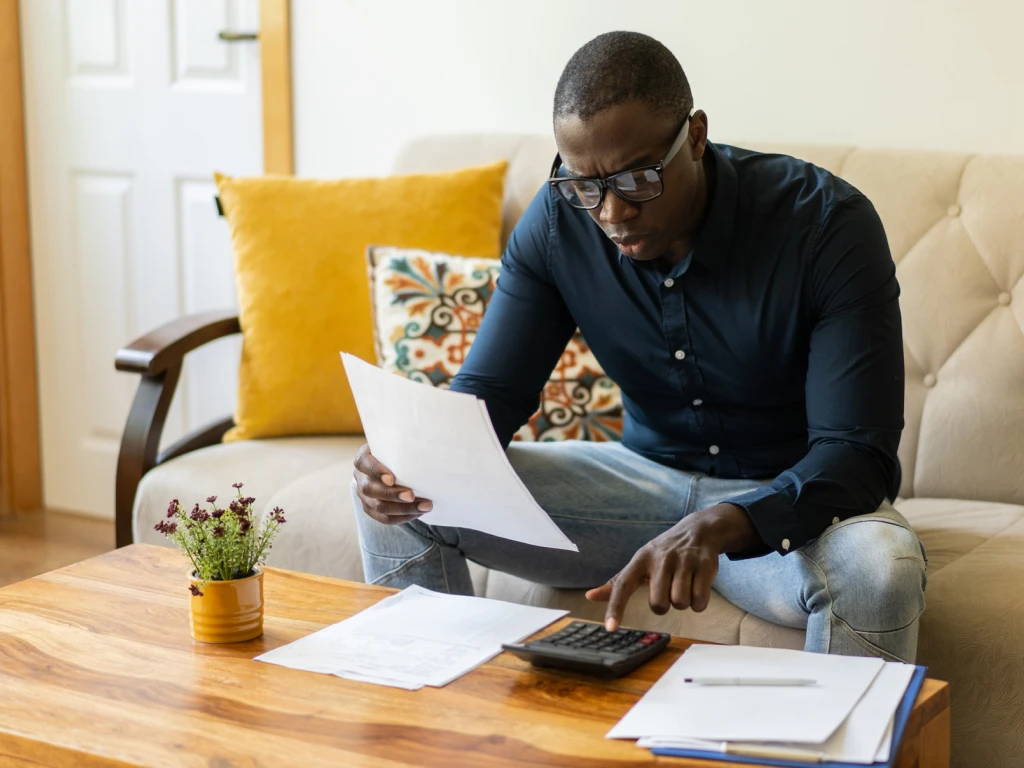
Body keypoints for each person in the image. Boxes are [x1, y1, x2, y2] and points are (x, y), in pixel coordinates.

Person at [351, 31, 927, 663]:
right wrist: (414, 457)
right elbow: (490, 399)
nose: (612, 210)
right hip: (634, 491)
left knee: (881, 568)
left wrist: (723, 522)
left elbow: (857, 456)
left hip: (784, 511)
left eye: (638, 177)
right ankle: (433, 733)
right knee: (408, 495)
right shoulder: (555, 225)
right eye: (585, 185)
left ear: (697, 135)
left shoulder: (825, 226)